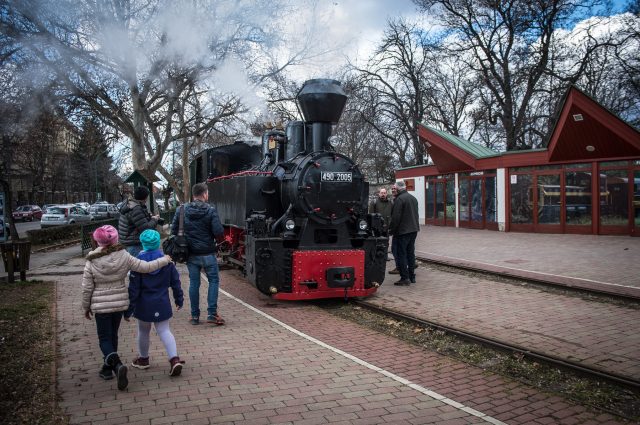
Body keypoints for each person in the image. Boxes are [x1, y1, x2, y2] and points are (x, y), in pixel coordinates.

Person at [81, 225, 172, 390]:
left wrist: (86, 306)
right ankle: (107, 369)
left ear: (98, 241)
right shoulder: (123, 255)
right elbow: (145, 267)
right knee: (113, 335)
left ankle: (116, 365)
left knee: (104, 339)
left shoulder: (92, 259)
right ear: (116, 239)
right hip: (120, 303)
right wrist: (164, 260)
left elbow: (87, 287)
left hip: (101, 305)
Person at [125, 230, 185, 376]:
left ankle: (143, 359)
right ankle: (174, 359)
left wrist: (128, 309)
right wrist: (179, 299)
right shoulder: (167, 261)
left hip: (143, 304)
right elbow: (175, 282)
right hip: (162, 302)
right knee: (164, 330)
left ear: (142, 243)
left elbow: (133, 289)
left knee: (143, 330)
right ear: (158, 243)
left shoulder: (137, 263)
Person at [171, 183, 224, 325]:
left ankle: (194, 316)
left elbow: (173, 232)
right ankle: (212, 314)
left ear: (193, 196)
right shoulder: (211, 211)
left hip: (190, 253)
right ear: (205, 194)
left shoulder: (181, 210)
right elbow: (219, 232)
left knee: (194, 283)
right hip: (207, 253)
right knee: (213, 280)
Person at [388, 180, 420, 286]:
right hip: (413, 229)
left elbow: (396, 217)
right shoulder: (413, 198)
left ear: (397, 188)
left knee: (400, 253)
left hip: (402, 231)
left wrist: (391, 230)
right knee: (411, 253)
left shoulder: (399, 199)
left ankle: (404, 277)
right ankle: (412, 276)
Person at [119, 185, 160, 257]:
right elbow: (146, 229)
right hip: (134, 244)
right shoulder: (136, 209)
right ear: (145, 198)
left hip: (128, 242)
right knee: (136, 267)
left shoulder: (129, 204)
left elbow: (137, 221)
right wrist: (154, 219)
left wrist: (147, 216)